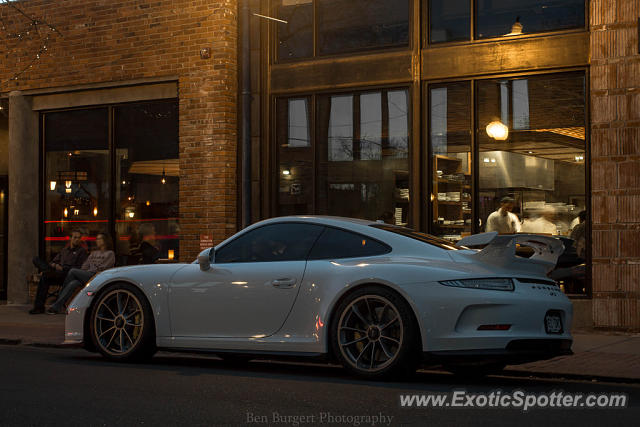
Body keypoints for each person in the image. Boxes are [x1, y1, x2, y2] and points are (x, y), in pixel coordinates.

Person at [46, 233, 115, 315]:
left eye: (99, 239)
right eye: (96, 239)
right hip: (87, 275)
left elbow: (103, 268)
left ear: (105, 241)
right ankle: (56, 307)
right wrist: (87, 270)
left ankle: (58, 298)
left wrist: (91, 267)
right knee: (73, 283)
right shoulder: (94, 253)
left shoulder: (110, 253)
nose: (97, 241)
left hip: (97, 277)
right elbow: (84, 266)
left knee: (72, 271)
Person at [29, 229, 88, 314]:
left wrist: (63, 268)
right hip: (56, 272)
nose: (77, 239)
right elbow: (53, 262)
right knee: (36, 260)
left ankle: (39, 307)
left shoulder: (81, 252)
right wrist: (55, 266)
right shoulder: (64, 250)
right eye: (75, 237)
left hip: (67, 274)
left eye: (79, 238)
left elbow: (78, 268)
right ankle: (39, 307)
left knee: (45, 276)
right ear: (70, 238)